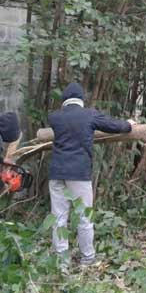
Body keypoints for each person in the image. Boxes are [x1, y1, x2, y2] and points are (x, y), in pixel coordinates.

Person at [47, 83, 135, 269]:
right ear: (81, 100)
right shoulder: (89, 115)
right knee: (84, 217)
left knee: (59, 218)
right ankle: (87, 258)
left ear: (64, 101)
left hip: (56, 173)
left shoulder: (54, 117)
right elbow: (114, 126)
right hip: (78, 173)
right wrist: (129, 125)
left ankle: (61, 263)